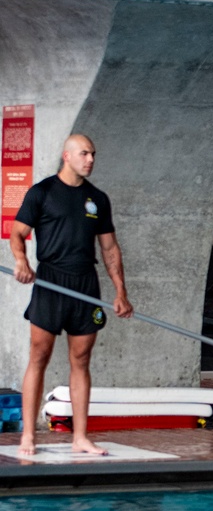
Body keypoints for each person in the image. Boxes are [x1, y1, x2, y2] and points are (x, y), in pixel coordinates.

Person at [9, 133, 133, 458]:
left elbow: (109, 249)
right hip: (51, 281)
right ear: (67, 156)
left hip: (85, 284)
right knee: (39, 356)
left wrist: (121, 292)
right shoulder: (42, 192)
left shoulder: (98, 199)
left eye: (93, 154)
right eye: (84, 153)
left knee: (81, 360)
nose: (90, 159)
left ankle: (80, 437)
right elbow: (17, 233)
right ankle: (27, 436)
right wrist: (21, 261)